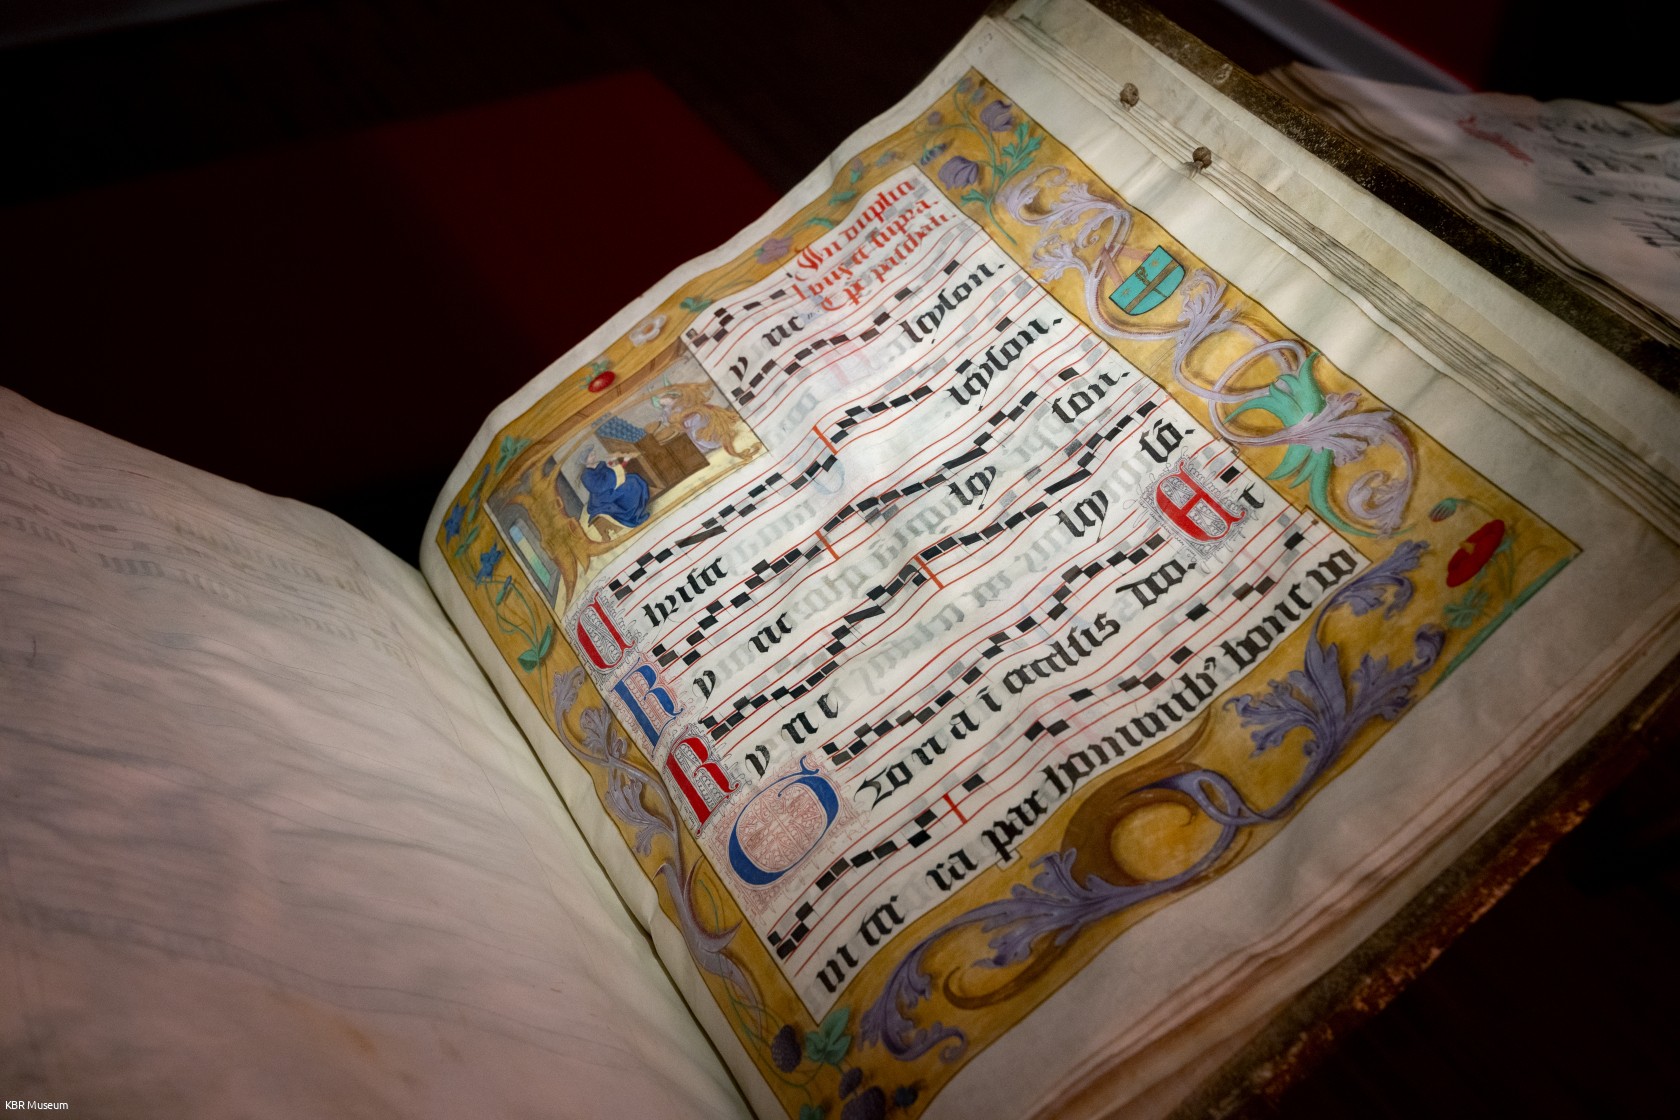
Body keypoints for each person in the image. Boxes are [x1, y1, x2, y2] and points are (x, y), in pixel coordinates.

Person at [579, 447, 651, 528]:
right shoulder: (586, 476)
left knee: (634, 478)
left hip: (611, 485)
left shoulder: (600, 464)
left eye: (593, 454)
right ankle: (633, 518)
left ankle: (638, 512)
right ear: (585, 460)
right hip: (602, 497)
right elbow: (599, 488)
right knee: (629, 487)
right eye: (591, 455)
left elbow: (608, 471)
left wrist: (612, 463)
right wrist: (623, 463)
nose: (594, 456)